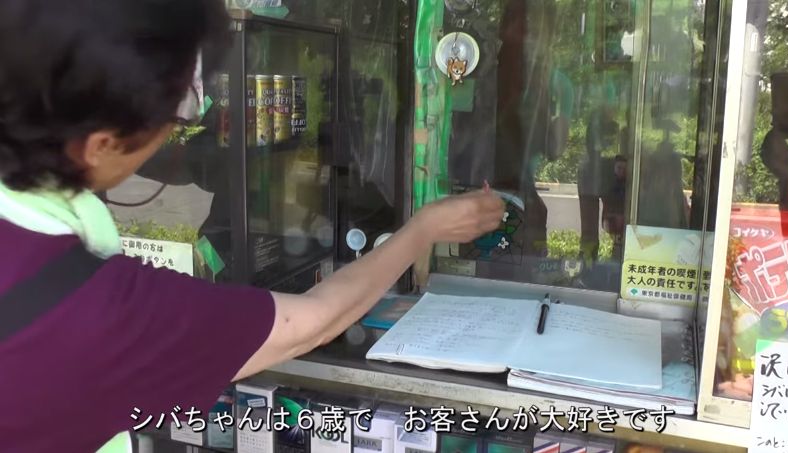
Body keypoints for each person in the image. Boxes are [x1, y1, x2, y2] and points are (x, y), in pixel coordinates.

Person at [0, 1, 506, 452]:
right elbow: (310, 321)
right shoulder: (101, 316)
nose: (177, 130)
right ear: (101, 144)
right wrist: (422, 229)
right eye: (180, 112)